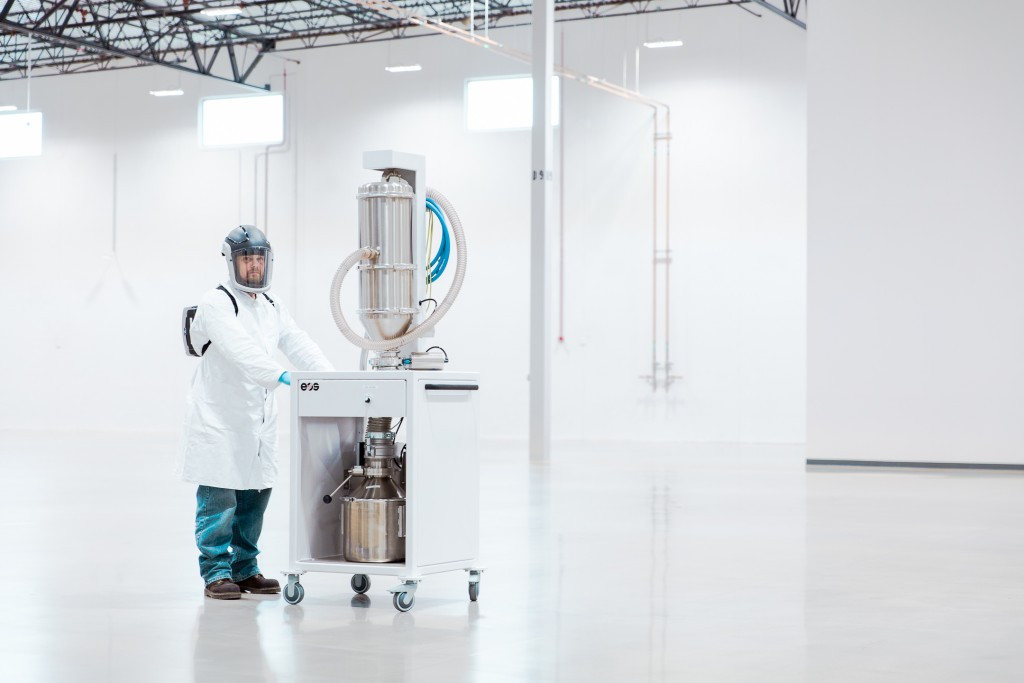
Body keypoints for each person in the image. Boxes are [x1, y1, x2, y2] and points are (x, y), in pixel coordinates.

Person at [179, 225, 334, 600]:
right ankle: (216, 572)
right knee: (220, 499)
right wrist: (281, 376)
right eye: (246, 258)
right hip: (219, 419)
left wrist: (330, 378)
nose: (253, 266)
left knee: (255, 497)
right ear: (231, 262)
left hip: (259, 420)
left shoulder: (272, 305)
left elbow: (298, 342)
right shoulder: (217, 302)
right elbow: (242, 351)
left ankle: (245, 569)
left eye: (259, 258)